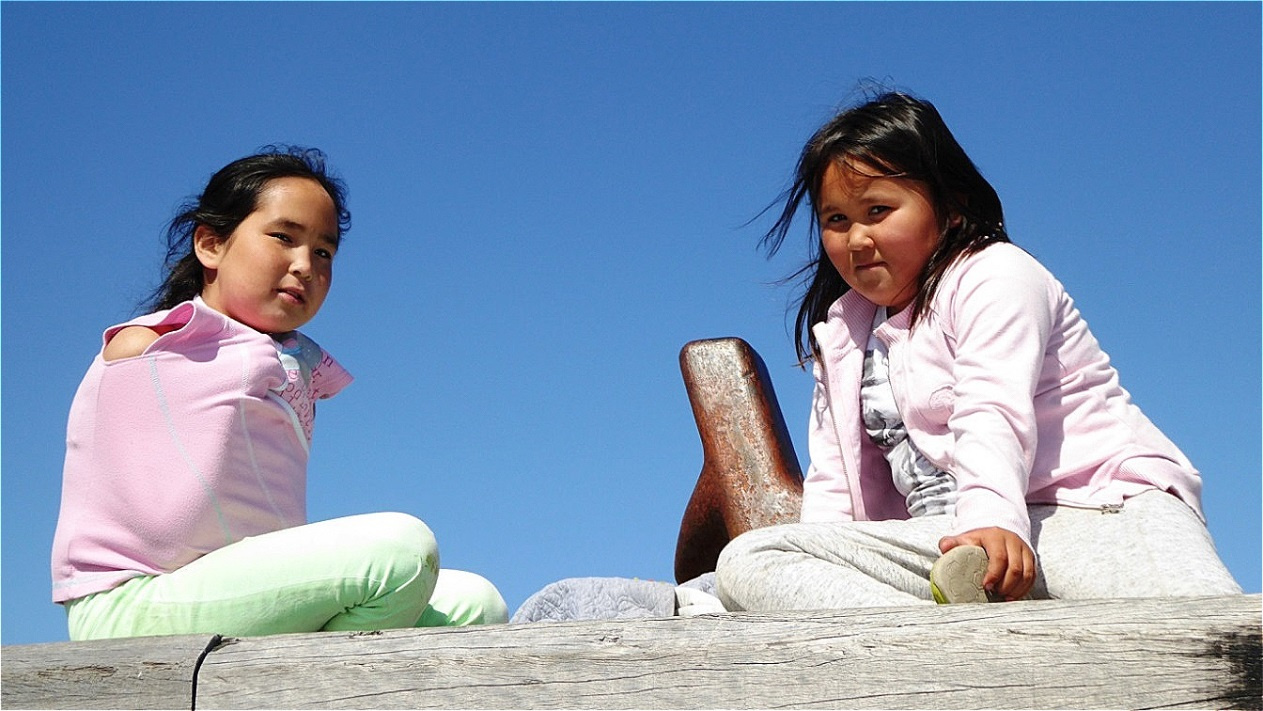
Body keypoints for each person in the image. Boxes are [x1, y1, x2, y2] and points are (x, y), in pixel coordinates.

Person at [714, 92, 1242, 610]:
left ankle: (976, 646)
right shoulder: (843, 336)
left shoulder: (994, 274)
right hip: (954, 550)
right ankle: (966, 656)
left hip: (1096, 511)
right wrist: (821, 560)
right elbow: (835, 484)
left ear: (952, 207)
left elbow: (994, 406)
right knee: (754, 561)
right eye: (836, 220)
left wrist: (993, 516)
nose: (856, 240)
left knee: (1207, 631)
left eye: (878, 210)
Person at [51, 147, 508, 640]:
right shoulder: (155, 344)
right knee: (403, 551)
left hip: (233, 596)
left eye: (324, 251)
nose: (305, 266)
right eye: (283, 237)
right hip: (133, 601)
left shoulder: (289, 361)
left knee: (476, 604)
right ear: (210, 244)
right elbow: (159, 515)